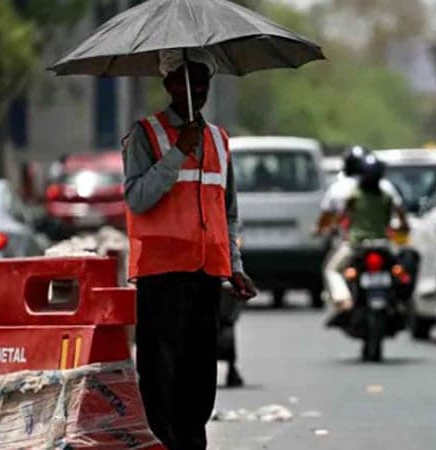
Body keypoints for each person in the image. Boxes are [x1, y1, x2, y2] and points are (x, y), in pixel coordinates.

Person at [122, 48, 257, 450]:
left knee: (199, 378)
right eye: (186, 80)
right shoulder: (146, 135)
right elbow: (137, 198)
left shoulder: (218, 139)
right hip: (160, 278)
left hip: (204, 277)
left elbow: (227, 210)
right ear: (168, 84)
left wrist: (235, 265)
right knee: (161, 377)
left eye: (202, 81)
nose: (195, 89)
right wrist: (179, 150)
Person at [315, 147, 403, 309]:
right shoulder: (387, 191)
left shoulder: (349, 194)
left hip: (356, 244)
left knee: (331, 270)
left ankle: (343, 299)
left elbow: (335, 218)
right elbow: (400, 216)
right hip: (384, 243)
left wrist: (322, 229)